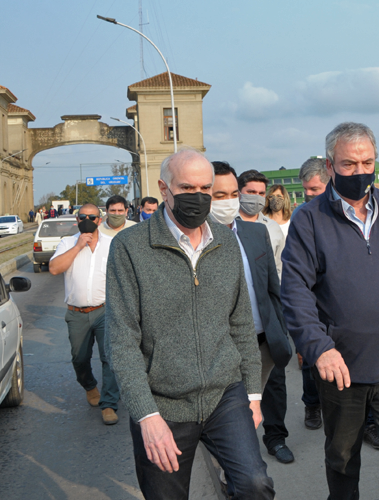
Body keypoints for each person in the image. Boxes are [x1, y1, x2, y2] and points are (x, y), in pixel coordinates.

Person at [106, 148, 274, 500]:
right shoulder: (130, 247)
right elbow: (122, 342)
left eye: (205, 189)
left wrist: (253, 394)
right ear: (164, 188)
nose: (197, 198)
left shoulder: (227, 242)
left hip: (223, 395)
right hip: (163, 403)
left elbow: (241, 323)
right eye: (186, 188)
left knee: (255, 485)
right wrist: (146, 416)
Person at [282, 122, 379, 500]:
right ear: (330, 166)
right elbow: (295, 291)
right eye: (349, 164)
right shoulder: (309, 220)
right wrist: (318, 346)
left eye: (367, 162)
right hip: (341, 367)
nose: (359, 171)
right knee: (343, 459)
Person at [210, 160, 296, 465]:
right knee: (233, 408)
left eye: (232, 193)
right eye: (219, 195)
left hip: (263, 338)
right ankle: (236, 461)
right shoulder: (197, 240)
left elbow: (275, 284)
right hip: (224, 346)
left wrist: (281, 330)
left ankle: (276, 438)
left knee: (273, 390)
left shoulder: (259, 233)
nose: (230, 201)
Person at [49, 204, 120, 425]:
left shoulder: (111, 244)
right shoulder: (67, 243)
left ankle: (109, 404)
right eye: (83, 217)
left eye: (92, 217)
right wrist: (79, 246)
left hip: (105, 310)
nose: (87, 220)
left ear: (100, 220)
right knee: (79, 358)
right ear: (77, 221)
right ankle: (89, 386)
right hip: (77, 313)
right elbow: (54, 268)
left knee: (109, 357)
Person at [291, 156, 330, 430]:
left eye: (314, 190)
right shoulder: (300, 216)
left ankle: (369, 421)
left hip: (341, 304)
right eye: (306, 190)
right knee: (310, 363)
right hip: (313, 304)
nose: (308, 195)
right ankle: (312, 407)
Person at [237, 170, 284, 277]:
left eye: (261, 193)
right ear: (239, 193)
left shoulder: (273, 227)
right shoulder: (228, 225)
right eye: (251, 192)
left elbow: (280, 266)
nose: (257, 197)